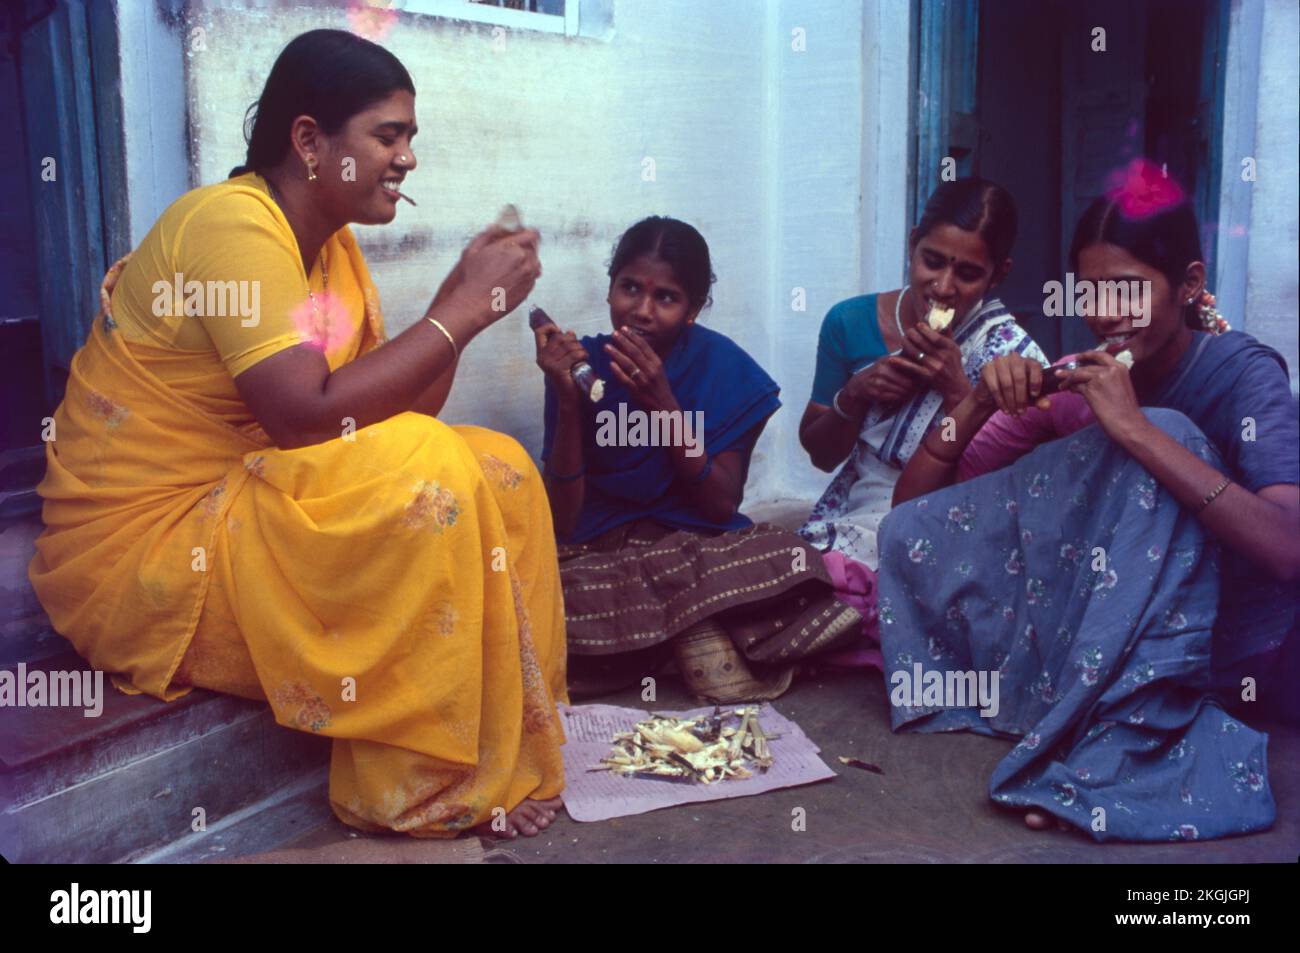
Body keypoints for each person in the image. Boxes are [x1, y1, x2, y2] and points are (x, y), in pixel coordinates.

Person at [28, 29, 566, 839]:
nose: (408, 157)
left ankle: (500, 749)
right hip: (151, 549)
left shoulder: (329, 251)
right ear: (310, 141)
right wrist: (455, 314)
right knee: (431, 467)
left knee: (497, 464)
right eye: (389, 134)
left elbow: (393, 415)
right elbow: (303, 415)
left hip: (248, 503)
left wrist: (460, 303)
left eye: (410, 137)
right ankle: (417, 786)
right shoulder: (229, 224)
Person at [880, 160, 1299, 840]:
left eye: (1128, 290)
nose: (1105, 313)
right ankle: (1085, 715)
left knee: (1166, 434)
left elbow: (1286, 549)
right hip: (1098, 629)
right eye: (1091, 291)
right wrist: (979, 395)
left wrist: (1134, 431)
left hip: (1222, 638)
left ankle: (1126, 745)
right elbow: (915, 514)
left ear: (1190, 284)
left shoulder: (1244, 375)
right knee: (928, 529)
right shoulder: (1082, 377)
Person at [536, 217, 862, 701]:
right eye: (629, 288)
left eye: (665, 297)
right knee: (537, 592)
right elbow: (562, 520)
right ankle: (692, 634)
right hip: (602, 552)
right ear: (609, 290)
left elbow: (719, 505)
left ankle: (639, 648)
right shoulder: (582, 367)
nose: (641, 311)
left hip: (698, 545)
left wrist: (664, 405)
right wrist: (567, 400)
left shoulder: (727, 369)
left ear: (692, 310)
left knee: (786, 558)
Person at [798, 178, 1048, 574]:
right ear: (913, 243)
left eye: (967, 273)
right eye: (931, 261)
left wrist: (958, 392)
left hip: (951, 526)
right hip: (853, 513)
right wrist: (856, 394)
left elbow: (1005, 487)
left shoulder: (1009, 354)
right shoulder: (850, 322)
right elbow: (821, 456)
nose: (943, 288)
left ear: (997, 275)